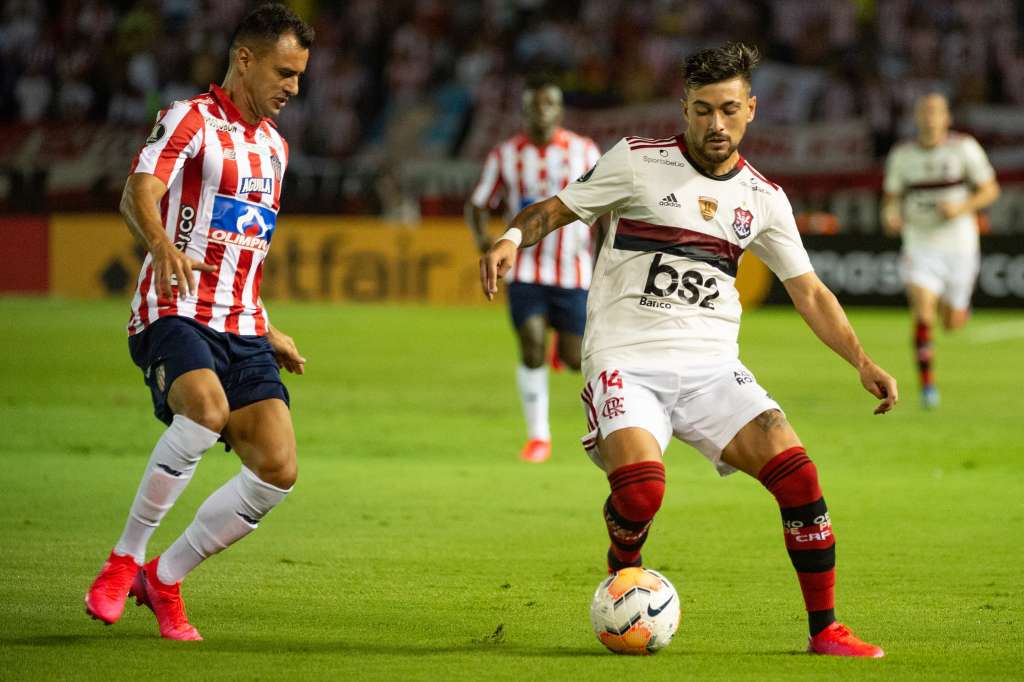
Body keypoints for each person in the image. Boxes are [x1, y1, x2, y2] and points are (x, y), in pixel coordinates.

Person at [481, 42, 897, 657]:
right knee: (644, 489)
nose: (715, 124)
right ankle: (625, 557)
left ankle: (825, 630)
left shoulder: (764, 199)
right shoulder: (636, 162)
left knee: (801, 477)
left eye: (729, 109)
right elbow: (554, 209)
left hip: (711, 369)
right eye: (702, 110)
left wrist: (862, 360)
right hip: (625, 357)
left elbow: (809, 291)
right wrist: (511, 237)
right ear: (685, 107)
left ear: (751, 109)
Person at [84, 4, 313, 641]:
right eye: (285, 72)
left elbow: (247, 248)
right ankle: (123, 558)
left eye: (299, 76)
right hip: (173, 309)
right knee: (204, 410)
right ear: (245, 59)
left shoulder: (274, 148)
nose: (294, 88)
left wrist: (267, 327)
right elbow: (138, 190)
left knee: (278, 468)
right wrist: (158, 243)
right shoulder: (189, 119)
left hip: (241, 321)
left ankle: (163, 578)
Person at [466, 81, 602, 463]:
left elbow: (606, 203)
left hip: (574, 270)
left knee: (577, 359)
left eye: (549, 104)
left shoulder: (584, 151)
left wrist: (605, 250)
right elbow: (478, 203)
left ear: (560, 110)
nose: (542, 111)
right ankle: (539, 436)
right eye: (534, 105)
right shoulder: (505, 155)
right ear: (524, 111)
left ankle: (563, 350)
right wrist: (484, 241)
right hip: (524, 268)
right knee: (531, 345)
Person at [881, 92, 1000, 409]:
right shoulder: (902, 155)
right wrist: (890, 216)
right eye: (924, 111)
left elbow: (990, 189)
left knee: (952, 323)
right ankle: (928, 388)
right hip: (920, 243)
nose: (929, 118)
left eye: (936, 112)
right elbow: (891, 198)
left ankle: (960, 306)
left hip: (959, 244)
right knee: (922, 312)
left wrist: (962, 207)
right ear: (917, 118)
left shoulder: (964, 148)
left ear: (947, 118)